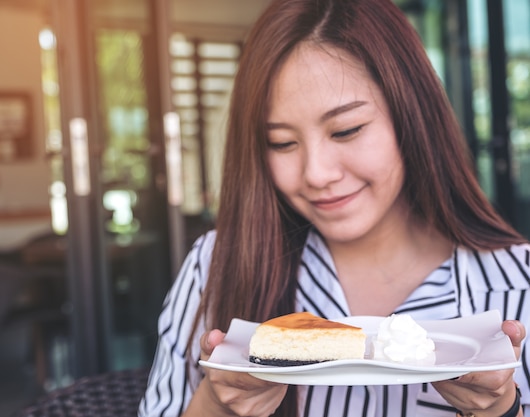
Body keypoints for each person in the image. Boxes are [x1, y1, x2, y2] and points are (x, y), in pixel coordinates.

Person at [138, 0, 530, 415]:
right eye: (282, 143)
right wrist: (218, 404)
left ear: (411, 115)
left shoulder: (518, 283)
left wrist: (499, 411)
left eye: (346, 130)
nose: (316, 174)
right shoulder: (215, 265)